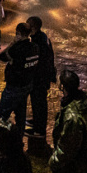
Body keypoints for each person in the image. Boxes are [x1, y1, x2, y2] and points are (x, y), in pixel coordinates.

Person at [0, 23, 40, 140]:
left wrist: (12, 43)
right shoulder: (35, 47)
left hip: (14, 86)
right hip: (26, 85)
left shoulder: (17, 48)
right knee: (21, 115)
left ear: (19, 34)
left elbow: (2, 56)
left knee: (2, 116)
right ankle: (19, 140)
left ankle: (1, 141)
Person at [26, 16, 57, 144]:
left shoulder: (37, 41)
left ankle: (39, 130)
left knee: (39, 102)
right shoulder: (42, 37)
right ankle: (37, 121)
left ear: (33, 27)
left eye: (28, 25)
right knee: (38, 102)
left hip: (40, 78)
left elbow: (40, 61)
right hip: (43, 76)